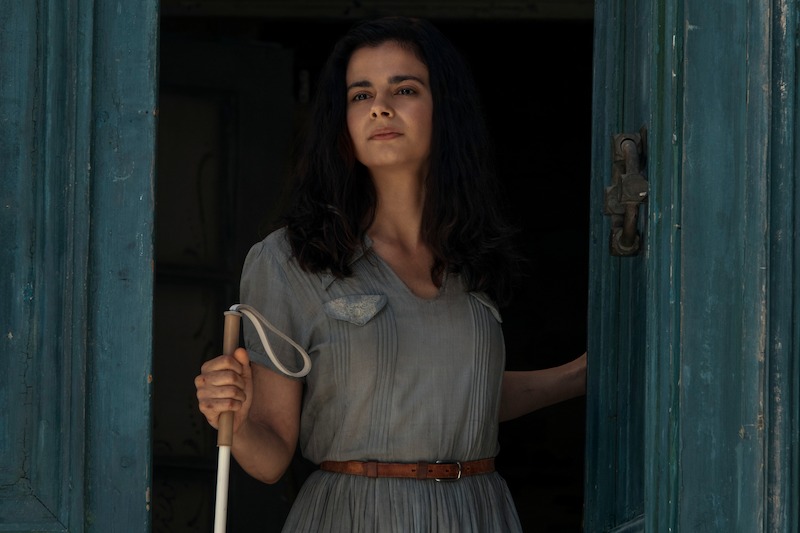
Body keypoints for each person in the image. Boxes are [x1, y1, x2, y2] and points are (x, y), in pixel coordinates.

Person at [195, 16, 587, 532]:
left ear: (444, 109)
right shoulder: (292, 258)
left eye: (404, 88)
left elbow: (452, 394)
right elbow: (269, 459)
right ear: (343, 122)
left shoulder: (473, 254)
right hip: (355, 515)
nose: (380, 106)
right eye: (360, 95)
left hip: (478, 513)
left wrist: (583, 375)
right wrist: (233, 415)